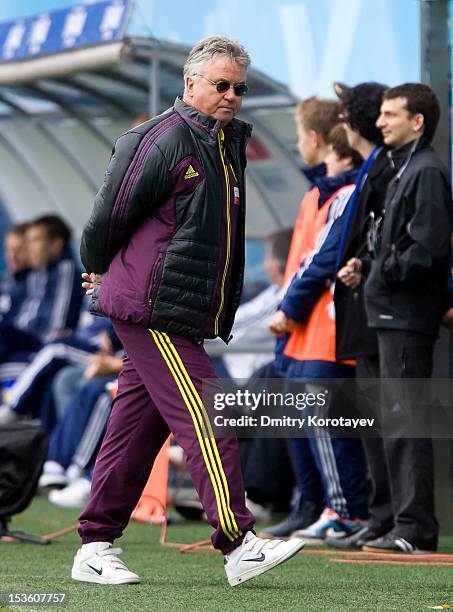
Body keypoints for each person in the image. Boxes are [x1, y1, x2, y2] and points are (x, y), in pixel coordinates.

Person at [71, 36, 304, 587]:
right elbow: (107, 216)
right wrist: (101, 271)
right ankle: (239, 543)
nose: (230, 96)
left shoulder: (226, 142)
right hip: (152, 307)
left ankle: (95, 546)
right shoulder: (159, 138)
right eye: (220, 85)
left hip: (175, 308)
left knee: (133, 433)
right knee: (208, 416)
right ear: (190, 83)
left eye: (239, 88)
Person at [269, 120, 369, 544]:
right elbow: (307, 260)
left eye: (299, 134)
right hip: (303, 328)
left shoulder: (346, 194)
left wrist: (289, 308)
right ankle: (314, 504)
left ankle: (344, 510)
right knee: (304, 418)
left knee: (329, 422)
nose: (298, 143)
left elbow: (320, 261)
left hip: (323, 328)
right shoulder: (319, 194)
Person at [363, 83, 452, 553]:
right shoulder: (407, 168)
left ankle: (414, 530)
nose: (381, 122)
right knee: (395, 421)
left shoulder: (427, 171)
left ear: (417, 121)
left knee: (407, 420)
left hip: (405, 314)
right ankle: (403, 525)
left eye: (391, 114)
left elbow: (429, 247)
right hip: (391, 313)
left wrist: (386, 267)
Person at [326, 82, 396, 550]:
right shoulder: (376, 166)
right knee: (371, 420)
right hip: (364, 312)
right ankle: (381, 517)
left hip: (381, 312)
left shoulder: (389, 167)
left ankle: (394, 519)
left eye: (347, 113)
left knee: (390, 420)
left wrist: (361, 266)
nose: (342, 124)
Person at [0, 215, 84, 365]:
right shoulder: (39, 274)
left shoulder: (65, 270)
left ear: (56, 244)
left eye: (36, 240)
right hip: (24, 341)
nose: (30, 247)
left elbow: (58, 324)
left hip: (38, 344)